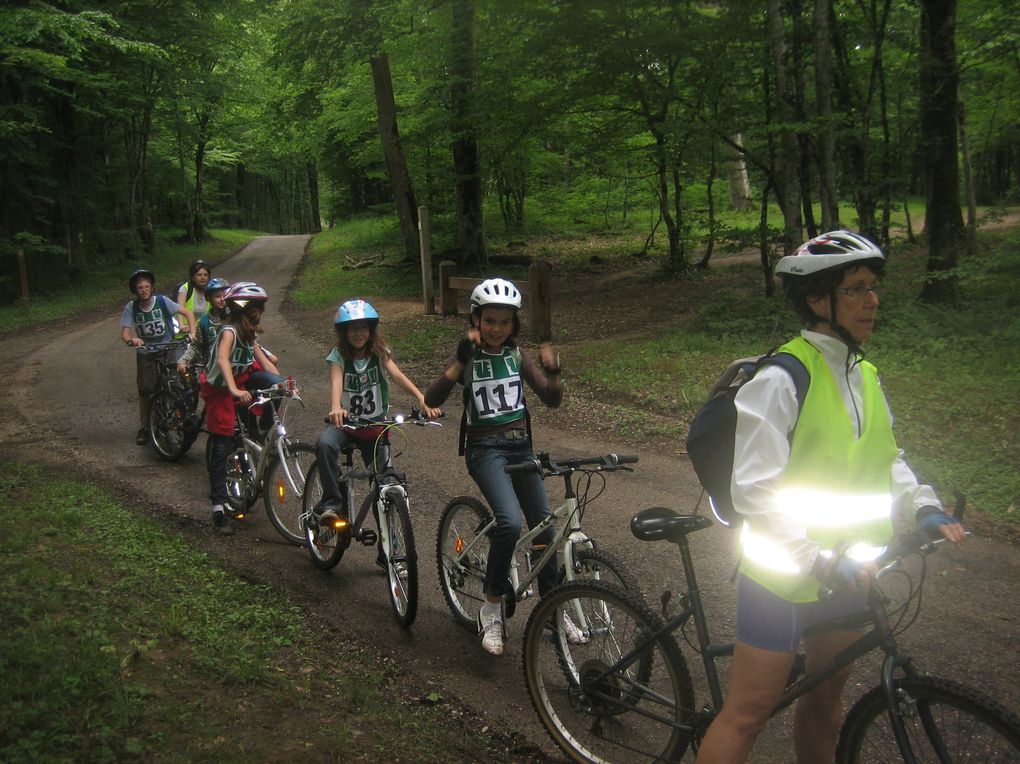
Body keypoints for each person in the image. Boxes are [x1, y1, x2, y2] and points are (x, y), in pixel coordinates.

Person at [694, 231, 966, 763]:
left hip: (850, 568)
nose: (873, 301)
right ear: (818, 299)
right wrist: (815, 558)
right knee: (748, 714)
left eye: (873, 288)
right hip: (785, 572)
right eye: (857, 288)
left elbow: (886, 457)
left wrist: (923, 507)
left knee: (826, 697)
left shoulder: (863, 373)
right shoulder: (782, 377)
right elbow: (754, 489)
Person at [424, 277, 563, 656]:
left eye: (505, 322)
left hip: (521, 448)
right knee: (509, 523)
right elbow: (431, 397)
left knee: (545, 528)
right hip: (485, 450)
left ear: (513, 325)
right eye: (490, 321)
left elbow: (550, 399)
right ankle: (491, 608)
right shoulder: (466, 355)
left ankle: (553, 610)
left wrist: (553, 373)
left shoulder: (517, 356)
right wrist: (458, 364)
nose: (497, 329)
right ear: (476, 320)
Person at [314, 299, 441, 538]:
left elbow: (397, 375)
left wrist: (422, 398)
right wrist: (335, 407)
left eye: (363, 328)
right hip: (347, 424)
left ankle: (388, 549)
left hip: (375, 427)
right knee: (324, 444)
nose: (358, 333)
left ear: (371, 330)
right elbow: (336, 381)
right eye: (353, 329)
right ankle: (332, 503)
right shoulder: (338, 356)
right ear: (344, 332)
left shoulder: (379, 353)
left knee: (385, 485)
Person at [202, 282, 283, 535]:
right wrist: (234, 389)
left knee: (275, 384)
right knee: (222, 443)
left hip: (244, 380)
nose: (258, 312)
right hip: (220, 388)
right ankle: (218, 507)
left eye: (260, 308)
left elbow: (265, 364)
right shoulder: (229, 331)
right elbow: (223, 359)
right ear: (242, 308)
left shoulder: (250, 333)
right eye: (254, 308)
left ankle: (263, 429)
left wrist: (284, 385)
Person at [120, 268, 196, 446]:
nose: (143, 290)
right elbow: (124, 333)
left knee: (175, 383)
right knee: (146, 389)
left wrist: (192, 332)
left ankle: (180, 418)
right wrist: (132, 340)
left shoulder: (162, 301)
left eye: (146, 286)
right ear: (135, 290)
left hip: (167, 348)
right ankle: (145, 427)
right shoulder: (131, 307)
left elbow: (188, 314)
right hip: (146, 352)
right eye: (140, 287)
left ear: (152, 287)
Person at [177, 277, 230, 373]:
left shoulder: (235, 317)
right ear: (209, 298)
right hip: (212, 369)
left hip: (234, 366)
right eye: (217, 296)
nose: (222, 299)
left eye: (225, 296)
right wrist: (183, 360)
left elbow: (250, 341)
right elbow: (196, 345)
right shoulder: (204, 321)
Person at [174, 259, 211, 339]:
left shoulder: (211, 291)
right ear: (193, 277)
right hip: (184, 336)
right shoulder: (185, 289)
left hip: (202, 335)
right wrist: (181, 326)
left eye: (205, 275)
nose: (202, 277)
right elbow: (179, 310)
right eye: (199, 275)